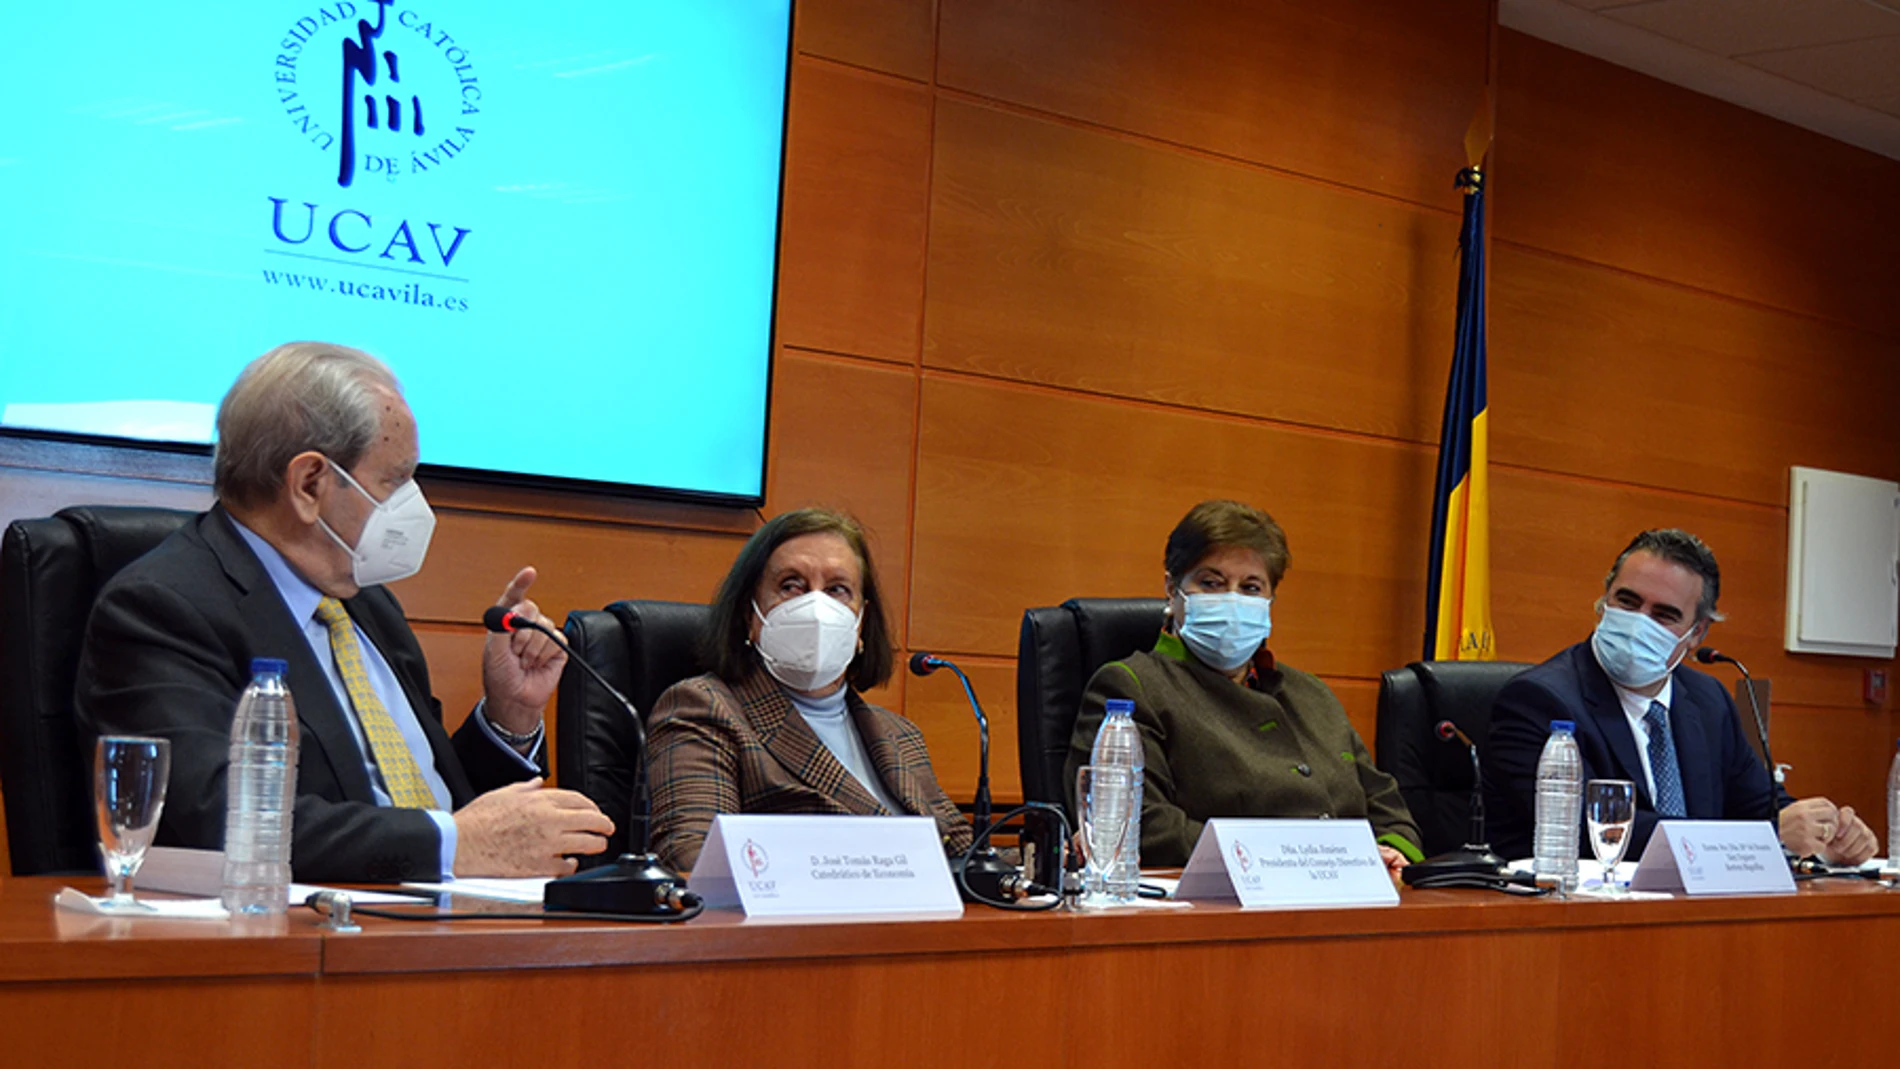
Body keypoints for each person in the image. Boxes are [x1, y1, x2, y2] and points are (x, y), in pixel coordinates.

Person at [77, 342, 613, 882]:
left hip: (448, 922)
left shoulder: (367, 604)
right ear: (308, 483)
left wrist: (509, 716)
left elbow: (446, 807)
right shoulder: (161, 607)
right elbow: (212, 818)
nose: (416, 504)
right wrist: (452, 844)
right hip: (305, 940)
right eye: (394, 480)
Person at [1064, 500, 1423, 873]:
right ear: (1172, 589)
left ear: (1270, 601)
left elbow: (1389, 810)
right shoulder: (1132, 687)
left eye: (1250, 587)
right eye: (1211, 583)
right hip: (1223, 907)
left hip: (1353, 902)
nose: (1231, 599)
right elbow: (1144, 826)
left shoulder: (1311, 693)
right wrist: (1280, 862)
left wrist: (1389, 853)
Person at [1484, 528, 1876, 865]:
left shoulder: (1707, 700)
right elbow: (1598, 832)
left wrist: (1824, 834)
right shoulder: (1538, 700)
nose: (1639, 622)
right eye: (1628, 601)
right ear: (1604, 600)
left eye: (1664, 614)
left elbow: (1759, 807)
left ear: (1698, 634)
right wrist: (1769, 837)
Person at [646, 508, 974, 872]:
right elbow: (694, 861)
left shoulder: (900, 735)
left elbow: (970, 857)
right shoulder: (703, 709)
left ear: (861, 623)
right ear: (750, 615)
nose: (816, 607)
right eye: (791, 586)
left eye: (837, 589)